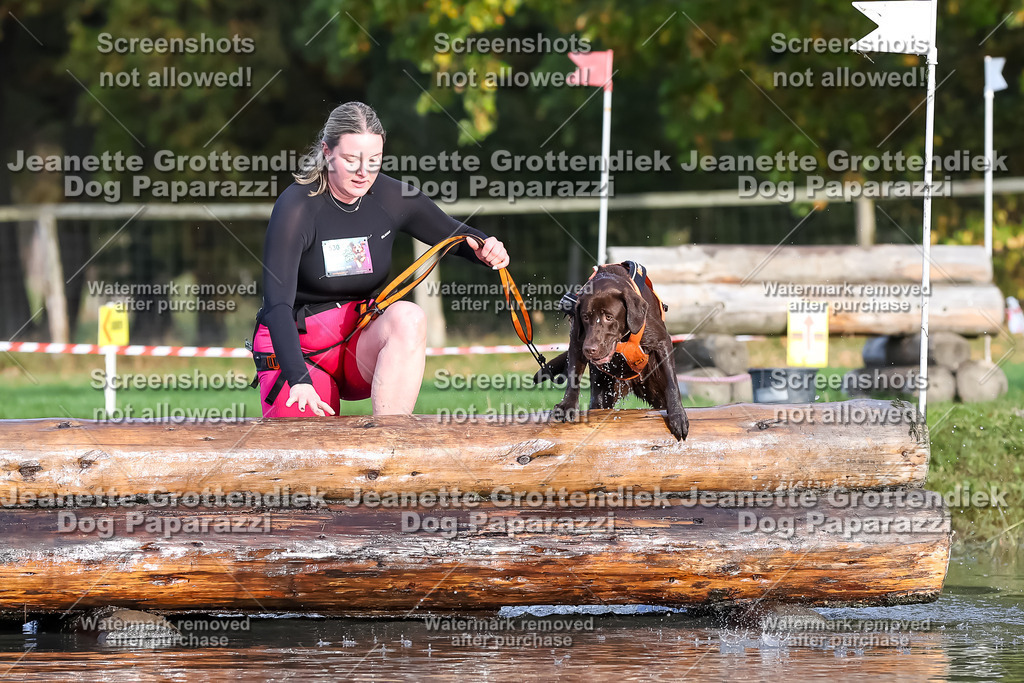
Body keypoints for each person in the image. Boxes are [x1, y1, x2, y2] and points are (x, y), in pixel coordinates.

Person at [252, 101, 509, 417]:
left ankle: (391, 445)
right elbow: (276, 305)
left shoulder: (391, 196)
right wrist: (298, 379)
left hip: (356, 343)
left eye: (374, 160)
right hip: (299, 351)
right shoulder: (296, 207)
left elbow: (456, 236)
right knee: (310, 453)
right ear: (327, 151)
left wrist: (485, 247)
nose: (364, 172)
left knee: (409, 317)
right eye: (351, 159)